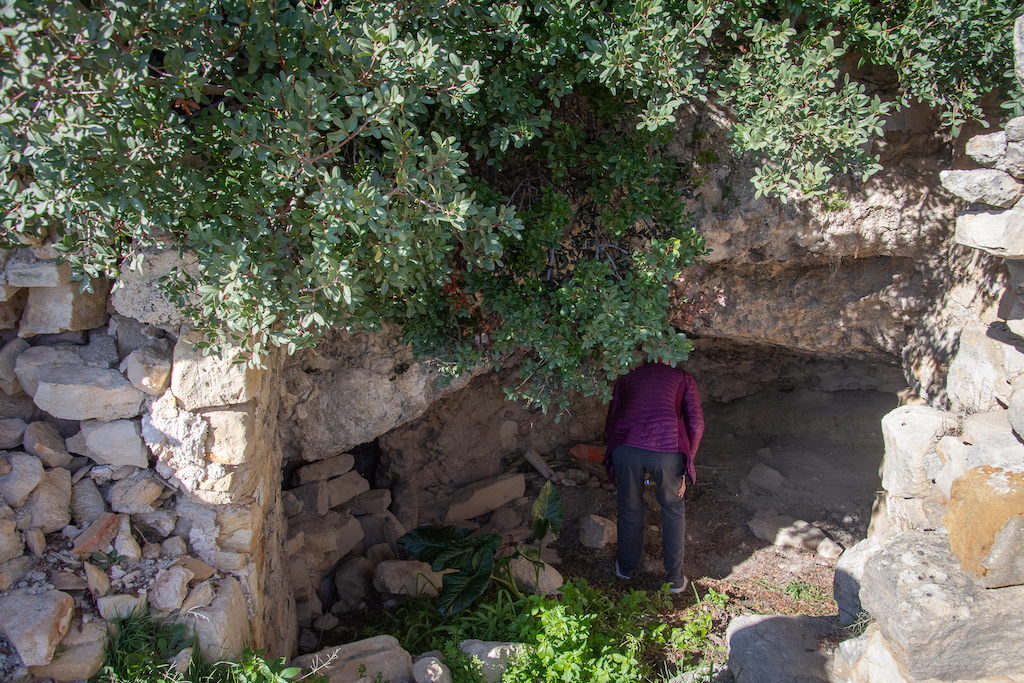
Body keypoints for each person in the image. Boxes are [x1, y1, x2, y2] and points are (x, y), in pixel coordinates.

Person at [603, 360, 704, 594]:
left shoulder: (627, 375)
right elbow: (696, 424)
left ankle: (626, 570)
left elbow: (611, 421)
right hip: (667, 449)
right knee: (672, 507)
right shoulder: (682, 377)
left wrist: (617, 450)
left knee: (629, 507)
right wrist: (686, 465)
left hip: (626, 446)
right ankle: (675, 580)